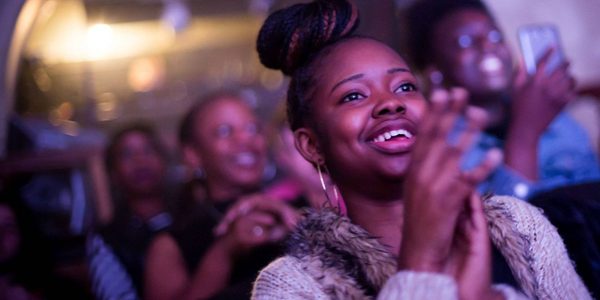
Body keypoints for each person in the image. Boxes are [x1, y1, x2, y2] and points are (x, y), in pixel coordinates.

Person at [251, 0, 590, 299]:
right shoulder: (291, 285)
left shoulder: (519, 223)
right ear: (312, 146)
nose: (391, 103)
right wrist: (422, 261)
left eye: (405, 86)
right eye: (354, 95)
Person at [404, 0, 600, 199]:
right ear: (434, 69)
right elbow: (506, 226)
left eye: (494, 35)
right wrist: (525, 133)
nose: (488, 45)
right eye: (465, 41)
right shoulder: (443, 148)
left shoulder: (557, 121)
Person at [144, 92, 299, 300]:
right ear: (193, 155)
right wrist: (225, 251)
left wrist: (298, 224)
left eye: (253, 129)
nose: (246, 139)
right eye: (225, 132)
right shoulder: (171, 245)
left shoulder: (295, 209)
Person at [89, 123, 173, 299]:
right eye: (127, 155)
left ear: (164, 162)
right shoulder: (107, 239)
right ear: (114, 174)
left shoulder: (192, 218)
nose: (140, 161)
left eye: (148, 151)